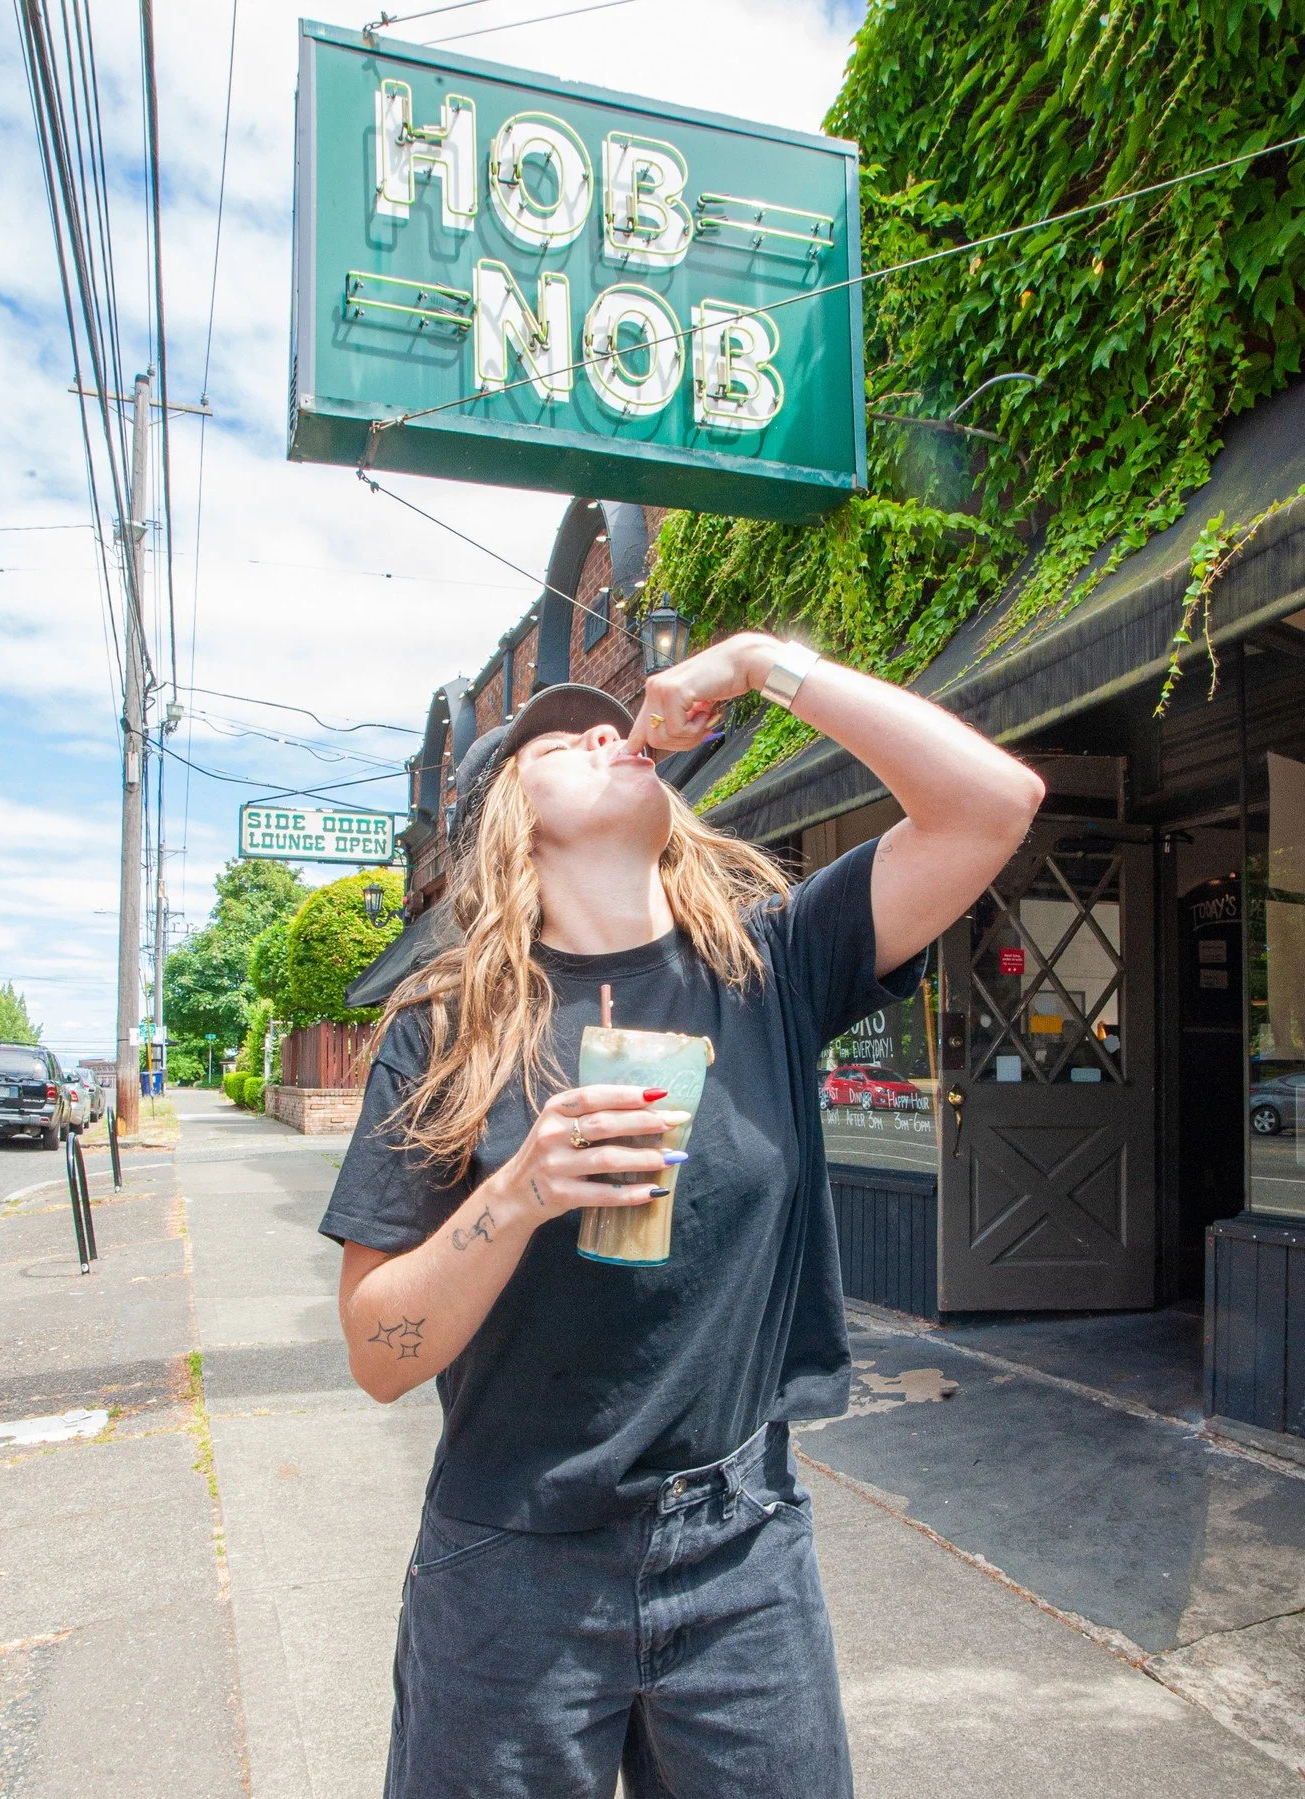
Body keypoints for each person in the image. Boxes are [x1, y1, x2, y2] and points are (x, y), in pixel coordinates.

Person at [320, 630, 1045, 1797]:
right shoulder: (442, 1032)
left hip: (738, 1549)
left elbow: (990, 804)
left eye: (611, 722)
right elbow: (375, 1351)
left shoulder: (767, 968)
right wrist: (517, 1194)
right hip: (513, 1559)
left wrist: (763, 663)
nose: (607, 732)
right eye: (560, 743)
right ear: (508, 820)